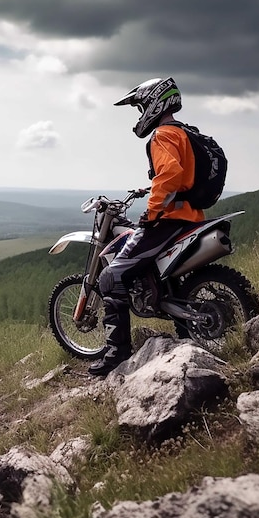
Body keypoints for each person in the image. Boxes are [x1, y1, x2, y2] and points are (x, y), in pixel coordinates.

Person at [88, 77, 205, 377]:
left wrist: (150, 214)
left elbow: (170, 176)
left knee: (111, 277)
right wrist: (149, 190)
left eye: (141, 106)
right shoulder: (184, 133)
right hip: (190, 216)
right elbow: (182, 178)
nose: (140, 113)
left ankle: (116, 353)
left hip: (167, 221)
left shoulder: (162, 135)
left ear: (155, 102)